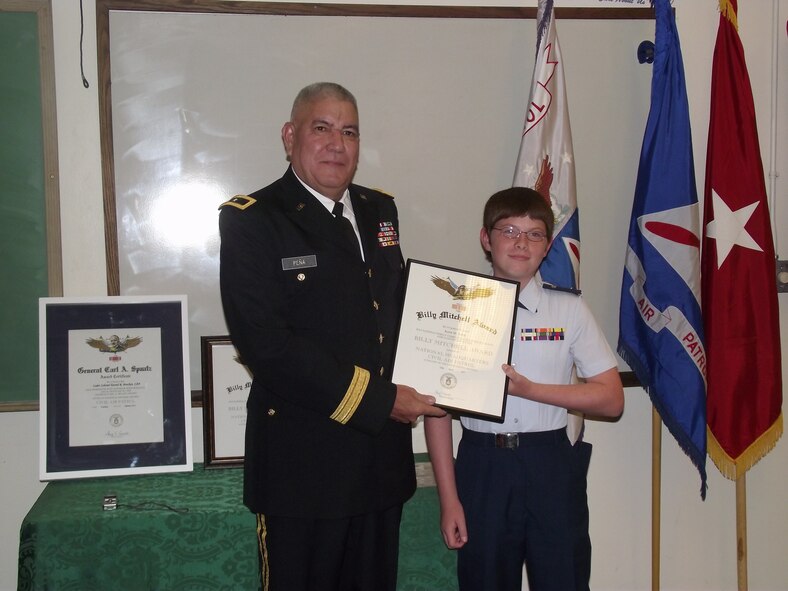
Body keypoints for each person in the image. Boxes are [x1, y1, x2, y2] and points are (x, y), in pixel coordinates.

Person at [218, 82, 445, 591]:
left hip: (379, 468)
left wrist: (456, 360)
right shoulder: (253, 221)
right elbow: (268, 347)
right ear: (290, 135)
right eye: (321, 129)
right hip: (304, 473)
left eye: (349, 132)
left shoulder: (378, 210)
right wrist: (382, 401)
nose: (337, 144)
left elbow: (394, 310)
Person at [424, 187, 624, 591]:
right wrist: (449, 500)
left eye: (534, 234)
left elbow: (611, 398)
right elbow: (437, 412)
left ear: (548, 246)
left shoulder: (568, 310)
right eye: (509, 230)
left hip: (549, 462)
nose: (520, 243)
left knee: (563, 579)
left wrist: (530, 390)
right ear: (486, 238)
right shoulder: (454, 310)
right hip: (482, 468)